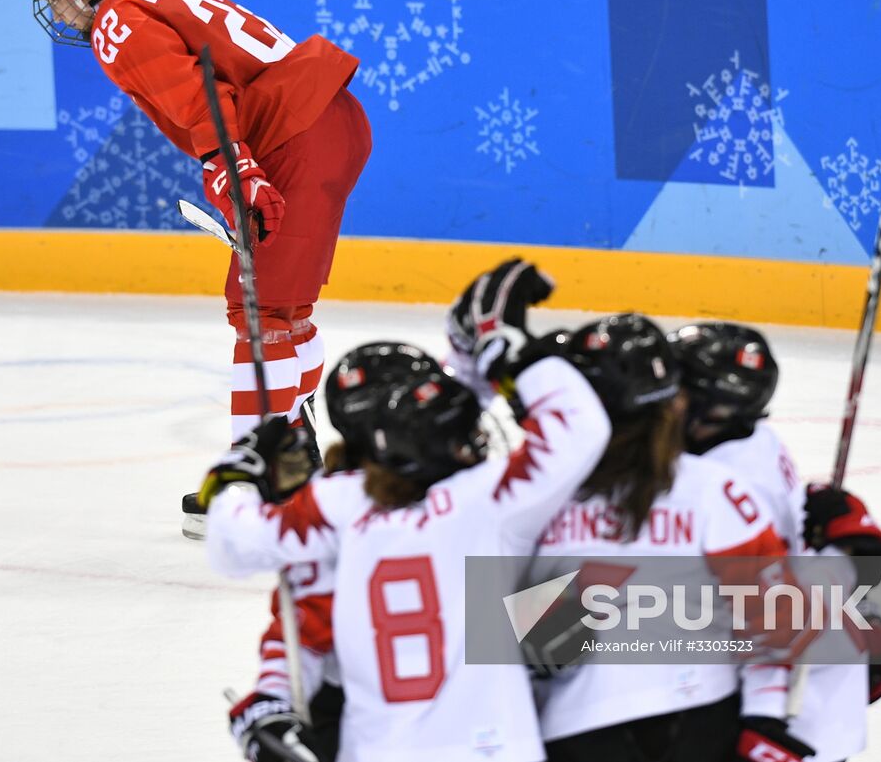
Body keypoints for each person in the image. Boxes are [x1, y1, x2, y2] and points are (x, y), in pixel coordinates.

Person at [24, 0, 370, 534]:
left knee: (260, 313)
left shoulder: (116, 18)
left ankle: (257, 484)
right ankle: (291, 453)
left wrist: (232, 167)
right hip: (328, 122)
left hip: (293, 135)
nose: (57, 12)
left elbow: (197, 92)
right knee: (286, 311)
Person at [201, 260, 613, 762]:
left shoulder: (335, 507)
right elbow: (577, 430)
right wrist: (495, 347)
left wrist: (237, 475)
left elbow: (242, 551)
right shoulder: (482, 500)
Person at [523, 313, 808, 762]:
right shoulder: (718, 489)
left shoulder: (532, 500)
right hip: (702, 715)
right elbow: (777, 618)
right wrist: (764, 717)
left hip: (577, 727)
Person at [671, 322, 881, 762]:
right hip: (789, 669)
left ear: (714, 407)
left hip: (785, 702)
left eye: (677, 389)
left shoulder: (722, 483)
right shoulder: (750, 441)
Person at [221, 341, 447, 762]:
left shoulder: (328, 504)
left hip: (358, 720)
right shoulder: (473, 494)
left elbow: (301, 621)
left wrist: (236, 478)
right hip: (468, 722)